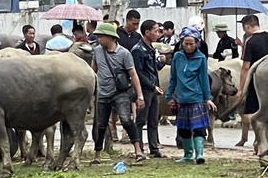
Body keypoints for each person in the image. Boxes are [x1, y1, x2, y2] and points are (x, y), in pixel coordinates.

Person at [91, 21, 144, 162]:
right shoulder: (97, 51)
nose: (99, 39)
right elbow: (93, 70)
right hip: (102, 93)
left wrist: (140, 95)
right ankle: (97, 154)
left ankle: (138, 151)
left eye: (101, 36)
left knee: (126, 120)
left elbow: (133, 74)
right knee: (101, 125)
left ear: (111, 37)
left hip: (120, 93)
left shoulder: (124, 53)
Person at [167, 26, 215, 164]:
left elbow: (204, 80)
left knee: (199, 127)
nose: (188, 47)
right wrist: (169, 96)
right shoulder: (177, 57)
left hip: (197, 98)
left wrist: (208, 98)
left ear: (197, 44)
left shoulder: (201, 58)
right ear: (182, 43)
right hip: (182, 98)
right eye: (185, 43)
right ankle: (188, 154)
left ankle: (199, 154)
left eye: (191, 44)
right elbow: (173, 78)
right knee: (184, 129)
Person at [236, 13, 268, 140]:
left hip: (257, 80)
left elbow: (245, 67)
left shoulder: (250, 41)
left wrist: (241, 88)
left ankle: (261, 139)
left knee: (253, 113)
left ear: (247, 27)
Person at [131, 18, 164, 159]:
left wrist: (161, 62)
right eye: (155, 31)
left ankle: (154, 147)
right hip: (144, 89)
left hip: (153, 88)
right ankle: (140, 148)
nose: (158, 33)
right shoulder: (138, 50)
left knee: (153, 120)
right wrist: (151, 86)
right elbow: (138, 73)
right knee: (141, 120)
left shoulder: (151, 48)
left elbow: (154, 69)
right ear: (147, 32)